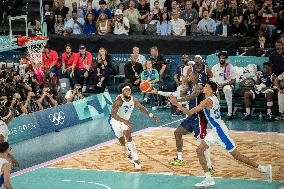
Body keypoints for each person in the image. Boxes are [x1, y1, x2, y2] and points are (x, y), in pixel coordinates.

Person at [168, 81, 272, 187]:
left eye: (207, 86)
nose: (204, 87)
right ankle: (208, 179)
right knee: (199, 150)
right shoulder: (214, 97)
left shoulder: (207, 101)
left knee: (237, 156)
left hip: (220, 132)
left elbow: (190, 112)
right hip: (216, 130)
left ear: (211, 90)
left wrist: (176, 104)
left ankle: (264, 169)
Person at [165, 72, 213, 173]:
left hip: (199, 118)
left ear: (196, 77)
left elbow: (191, 97)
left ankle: (209, 166)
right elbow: (181, 95)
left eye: (191, 75)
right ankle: (180, 158)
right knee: (177, 132)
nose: (189, 76)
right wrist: (158, 92)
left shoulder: (199, 87)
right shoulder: (190, 87)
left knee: (202, 143)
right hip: (191, 117)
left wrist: (176, 101)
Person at [108, 83, 160, 169]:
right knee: (122, 141)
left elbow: (141, 108)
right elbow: (113, 114)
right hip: (116, 121)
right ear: (122, 92)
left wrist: (152, 115)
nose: (128, 91)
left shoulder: (133, 99)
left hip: (126, 122)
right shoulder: (118, 100)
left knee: (128, 137)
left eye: (129, 90)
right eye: (126, 90)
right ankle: (127, 152)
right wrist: (124, 120)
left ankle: (136, 159)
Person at [211, 52, 236, 119]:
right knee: (211, 91)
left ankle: (230, 113)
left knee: (227, 89)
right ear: (218, 58)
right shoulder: (214, 67)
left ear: (226, 59)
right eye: (220, 58)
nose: (222, 59)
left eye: (223, 58)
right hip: (216, 85)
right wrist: (216, 84)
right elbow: (211, 78)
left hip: (227, 85)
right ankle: (214, 112)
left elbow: (233, 80)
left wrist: (224, 84)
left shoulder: (230, 67)